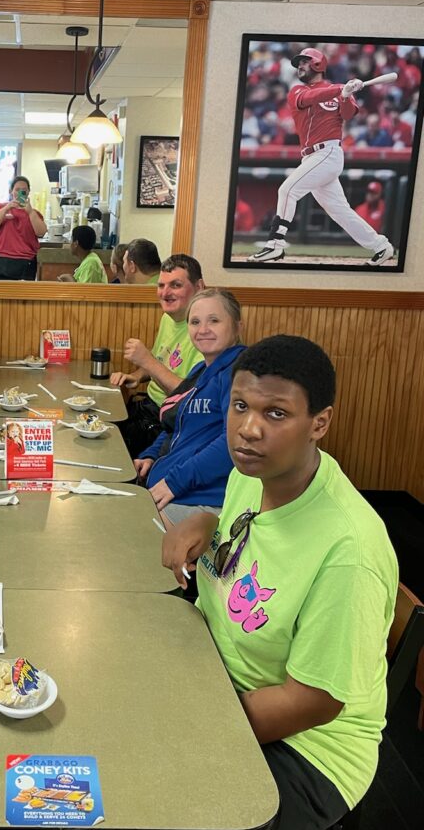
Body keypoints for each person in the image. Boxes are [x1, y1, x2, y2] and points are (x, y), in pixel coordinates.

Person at [162, 335, 398, 830]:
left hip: (306, 750)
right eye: (241, 405)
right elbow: (252, 532)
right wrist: (206, 520)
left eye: (276, 413)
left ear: (320, 423)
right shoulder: (256, 472)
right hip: (218, 675)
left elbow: (311, 702)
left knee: (151, 817)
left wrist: (181, 724)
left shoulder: (349, 552)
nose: (248, 428)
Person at [249, 48, 394, 266]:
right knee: (339, 211)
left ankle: (274, 245)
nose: (300, 66)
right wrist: (340, 89)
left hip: (328, 152)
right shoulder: (296, 91)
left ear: (318, 64)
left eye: (305, 62)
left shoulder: (338, 93)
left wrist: (345, 96)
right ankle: (381, 246)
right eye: (299, 63)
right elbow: (312, 96)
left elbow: (347, 114)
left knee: (287, 190)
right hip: (310, 158)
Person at [134, 288, 245, 527]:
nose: (203, 329)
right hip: (173, 486)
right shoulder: (200, 371)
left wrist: (175, 482)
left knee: (131, 531)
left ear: (237, 326)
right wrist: (152, 455)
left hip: (205, 500)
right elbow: (176, 423)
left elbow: (234, 443)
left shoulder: (239, 373)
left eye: (214, 320)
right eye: (195, 322)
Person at [111, 253, 204, 454]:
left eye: (176, 285)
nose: (165, 293)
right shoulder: (168, 319)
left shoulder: (204, 334)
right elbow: (158, 363)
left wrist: (146, 360)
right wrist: (135, 376)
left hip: (170, 420)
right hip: (148, 406)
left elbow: (190, 398)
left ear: (199, 287)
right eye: (161, 286)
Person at [0, 175, 47, 280]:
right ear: (11, 191)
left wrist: (30, 212)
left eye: (24, 190)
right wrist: (7, 208)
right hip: (1, 260)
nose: (20, 193)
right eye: (17, 190)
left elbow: (41, 232)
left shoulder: (34, 213)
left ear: (28, 192)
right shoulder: (0, 208)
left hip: (26, 261)